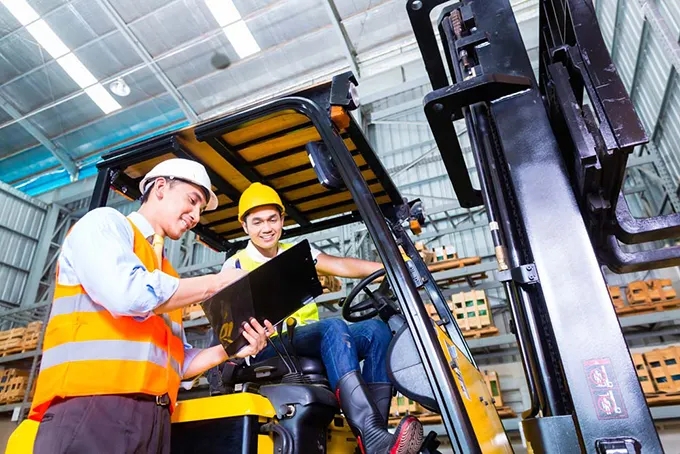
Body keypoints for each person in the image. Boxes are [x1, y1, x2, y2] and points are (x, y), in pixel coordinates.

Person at [28, 158, 273, 454]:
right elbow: (127, 294)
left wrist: (232, 348)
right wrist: (216, 283)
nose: (196, 216)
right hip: (93, 408)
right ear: (160, 187)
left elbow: (178, 363)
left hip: (154, 418)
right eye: (192, 200)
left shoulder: (168, 276)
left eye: (200, 209)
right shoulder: (104, 225)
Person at [212, 182, 424, 454]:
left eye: (272, 219)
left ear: (282, 220)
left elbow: (339, 264)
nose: (266, 228)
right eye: (258, 222)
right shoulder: (236, 265)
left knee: (375, 330)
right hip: (267, 345)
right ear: (245, 226)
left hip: (305, 338)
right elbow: (229, 324)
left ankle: (375, 437)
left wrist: (392, 267)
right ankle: (369, 432)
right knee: (332, 327)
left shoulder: (296, 253)